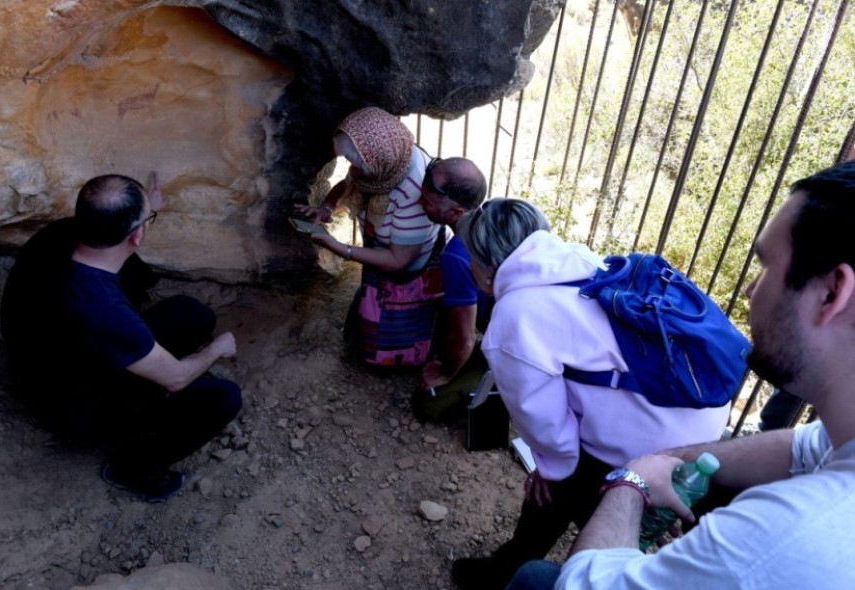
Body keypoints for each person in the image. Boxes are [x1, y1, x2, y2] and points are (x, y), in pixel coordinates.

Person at [506, 160, 855, 589]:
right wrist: (666, 461)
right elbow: (802, 447)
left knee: (536, 578)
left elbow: (582, 583)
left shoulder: (775, 542)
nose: (749, 291)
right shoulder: (842, 439)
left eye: (766, 267)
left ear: (833, 293)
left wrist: (631, 483)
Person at [450, 198, 730, 590]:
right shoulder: (577, 259)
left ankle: (518, 572)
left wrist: (552, 470)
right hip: (699, 412)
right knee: (587, 493)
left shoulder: (516, 315)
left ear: (484, 266)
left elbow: (542, 421)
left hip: (652, 435)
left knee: (556, 490)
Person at [1, 173, 242, 503]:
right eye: (147, 218)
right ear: (136, 234)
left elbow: (122, 239)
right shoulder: (103, 308)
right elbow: (176, 378)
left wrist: (147, 209)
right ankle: (131, 470)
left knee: (193, 315)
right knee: (224, 398)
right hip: (76, 406)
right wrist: (217, 349)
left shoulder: (62, 233)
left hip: (41, 356)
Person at [296, 107, 442, 369]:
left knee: (393, 327)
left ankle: (396, 363)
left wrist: (341, 248)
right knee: (371, 306)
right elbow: (350, 182)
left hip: (405, 265)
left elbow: (398, 261)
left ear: (377, 160)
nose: (353, 168)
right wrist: (327, 207)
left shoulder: (413, 192)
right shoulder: (382, 163)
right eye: (349, 160)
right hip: (382, 250)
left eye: (356, 162)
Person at [412, 157, 491, 421]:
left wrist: (445, 373)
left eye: (428, 202)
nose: (420, 203)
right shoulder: (492, 217)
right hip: (524, 327)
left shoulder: (456, 253)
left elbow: (466, 339)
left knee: (426, 405)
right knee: (446, 308)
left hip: (530, 351)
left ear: (456, 213)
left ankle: (510, 386)